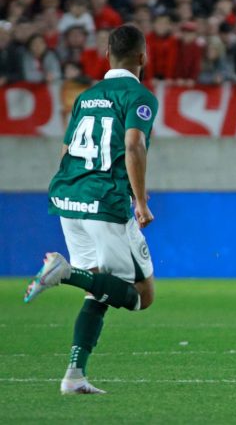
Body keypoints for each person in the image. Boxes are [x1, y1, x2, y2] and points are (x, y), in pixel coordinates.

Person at [23, 24, 158, 394]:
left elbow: (66, 151)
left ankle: (75, 374)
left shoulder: (86, 96)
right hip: (104, 201)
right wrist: (141, 201)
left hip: (68, 196)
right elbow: (133, 146)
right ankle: (64, 273)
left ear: (107, 57)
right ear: (142, 57)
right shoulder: (139, 96)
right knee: (141, 296)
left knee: (99, 287)